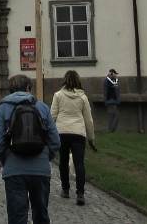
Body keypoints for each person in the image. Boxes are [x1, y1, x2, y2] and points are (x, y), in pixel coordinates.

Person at [0, 74, 60, 224]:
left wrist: (3, 160)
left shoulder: (2, 109)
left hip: (14, 170)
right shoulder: (42, 107)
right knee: (41, 215)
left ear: (10, 90)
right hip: (41, 170)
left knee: (17, 217)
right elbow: (55, 141)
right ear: (29, 88)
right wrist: (45, 156)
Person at [51, 70, 95, 206]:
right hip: (78, 133)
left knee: (63, 161)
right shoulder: (83, 97)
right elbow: (88, 120)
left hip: (62, 132)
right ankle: (80, 193)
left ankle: (65, 189)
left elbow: (52, 116)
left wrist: (49, 134)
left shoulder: (58, 95)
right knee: (79, 163)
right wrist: (91, 138)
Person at [103, 68, 121, 132]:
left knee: (113, 116)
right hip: (111, 101)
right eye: (114, 74)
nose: (115, 75)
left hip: (112, 101)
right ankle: (111, 129)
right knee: (114, 115)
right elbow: (108, 91)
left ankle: (111, 129)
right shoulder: (109, 81)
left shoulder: (111, 80)